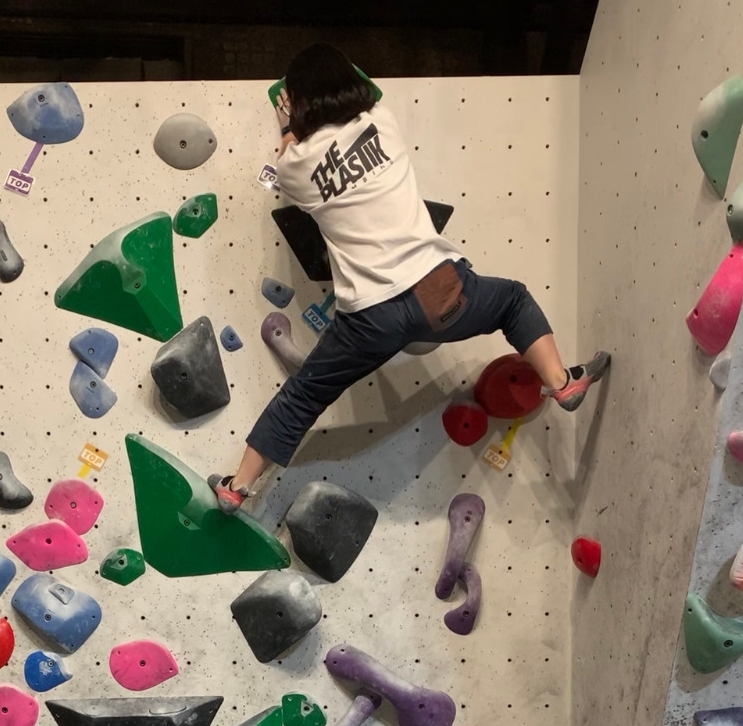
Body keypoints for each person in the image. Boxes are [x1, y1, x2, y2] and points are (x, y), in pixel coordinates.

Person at [209, 43, 609, 513]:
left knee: (304, 396)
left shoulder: (295, 165)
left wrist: (286, 126)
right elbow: (367, 89)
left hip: (369, 317)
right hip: (437, 292)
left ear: (299, 103)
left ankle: (237, 487)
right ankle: (561, 382)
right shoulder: (381, 121)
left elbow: (288, 160)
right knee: (513, 302)